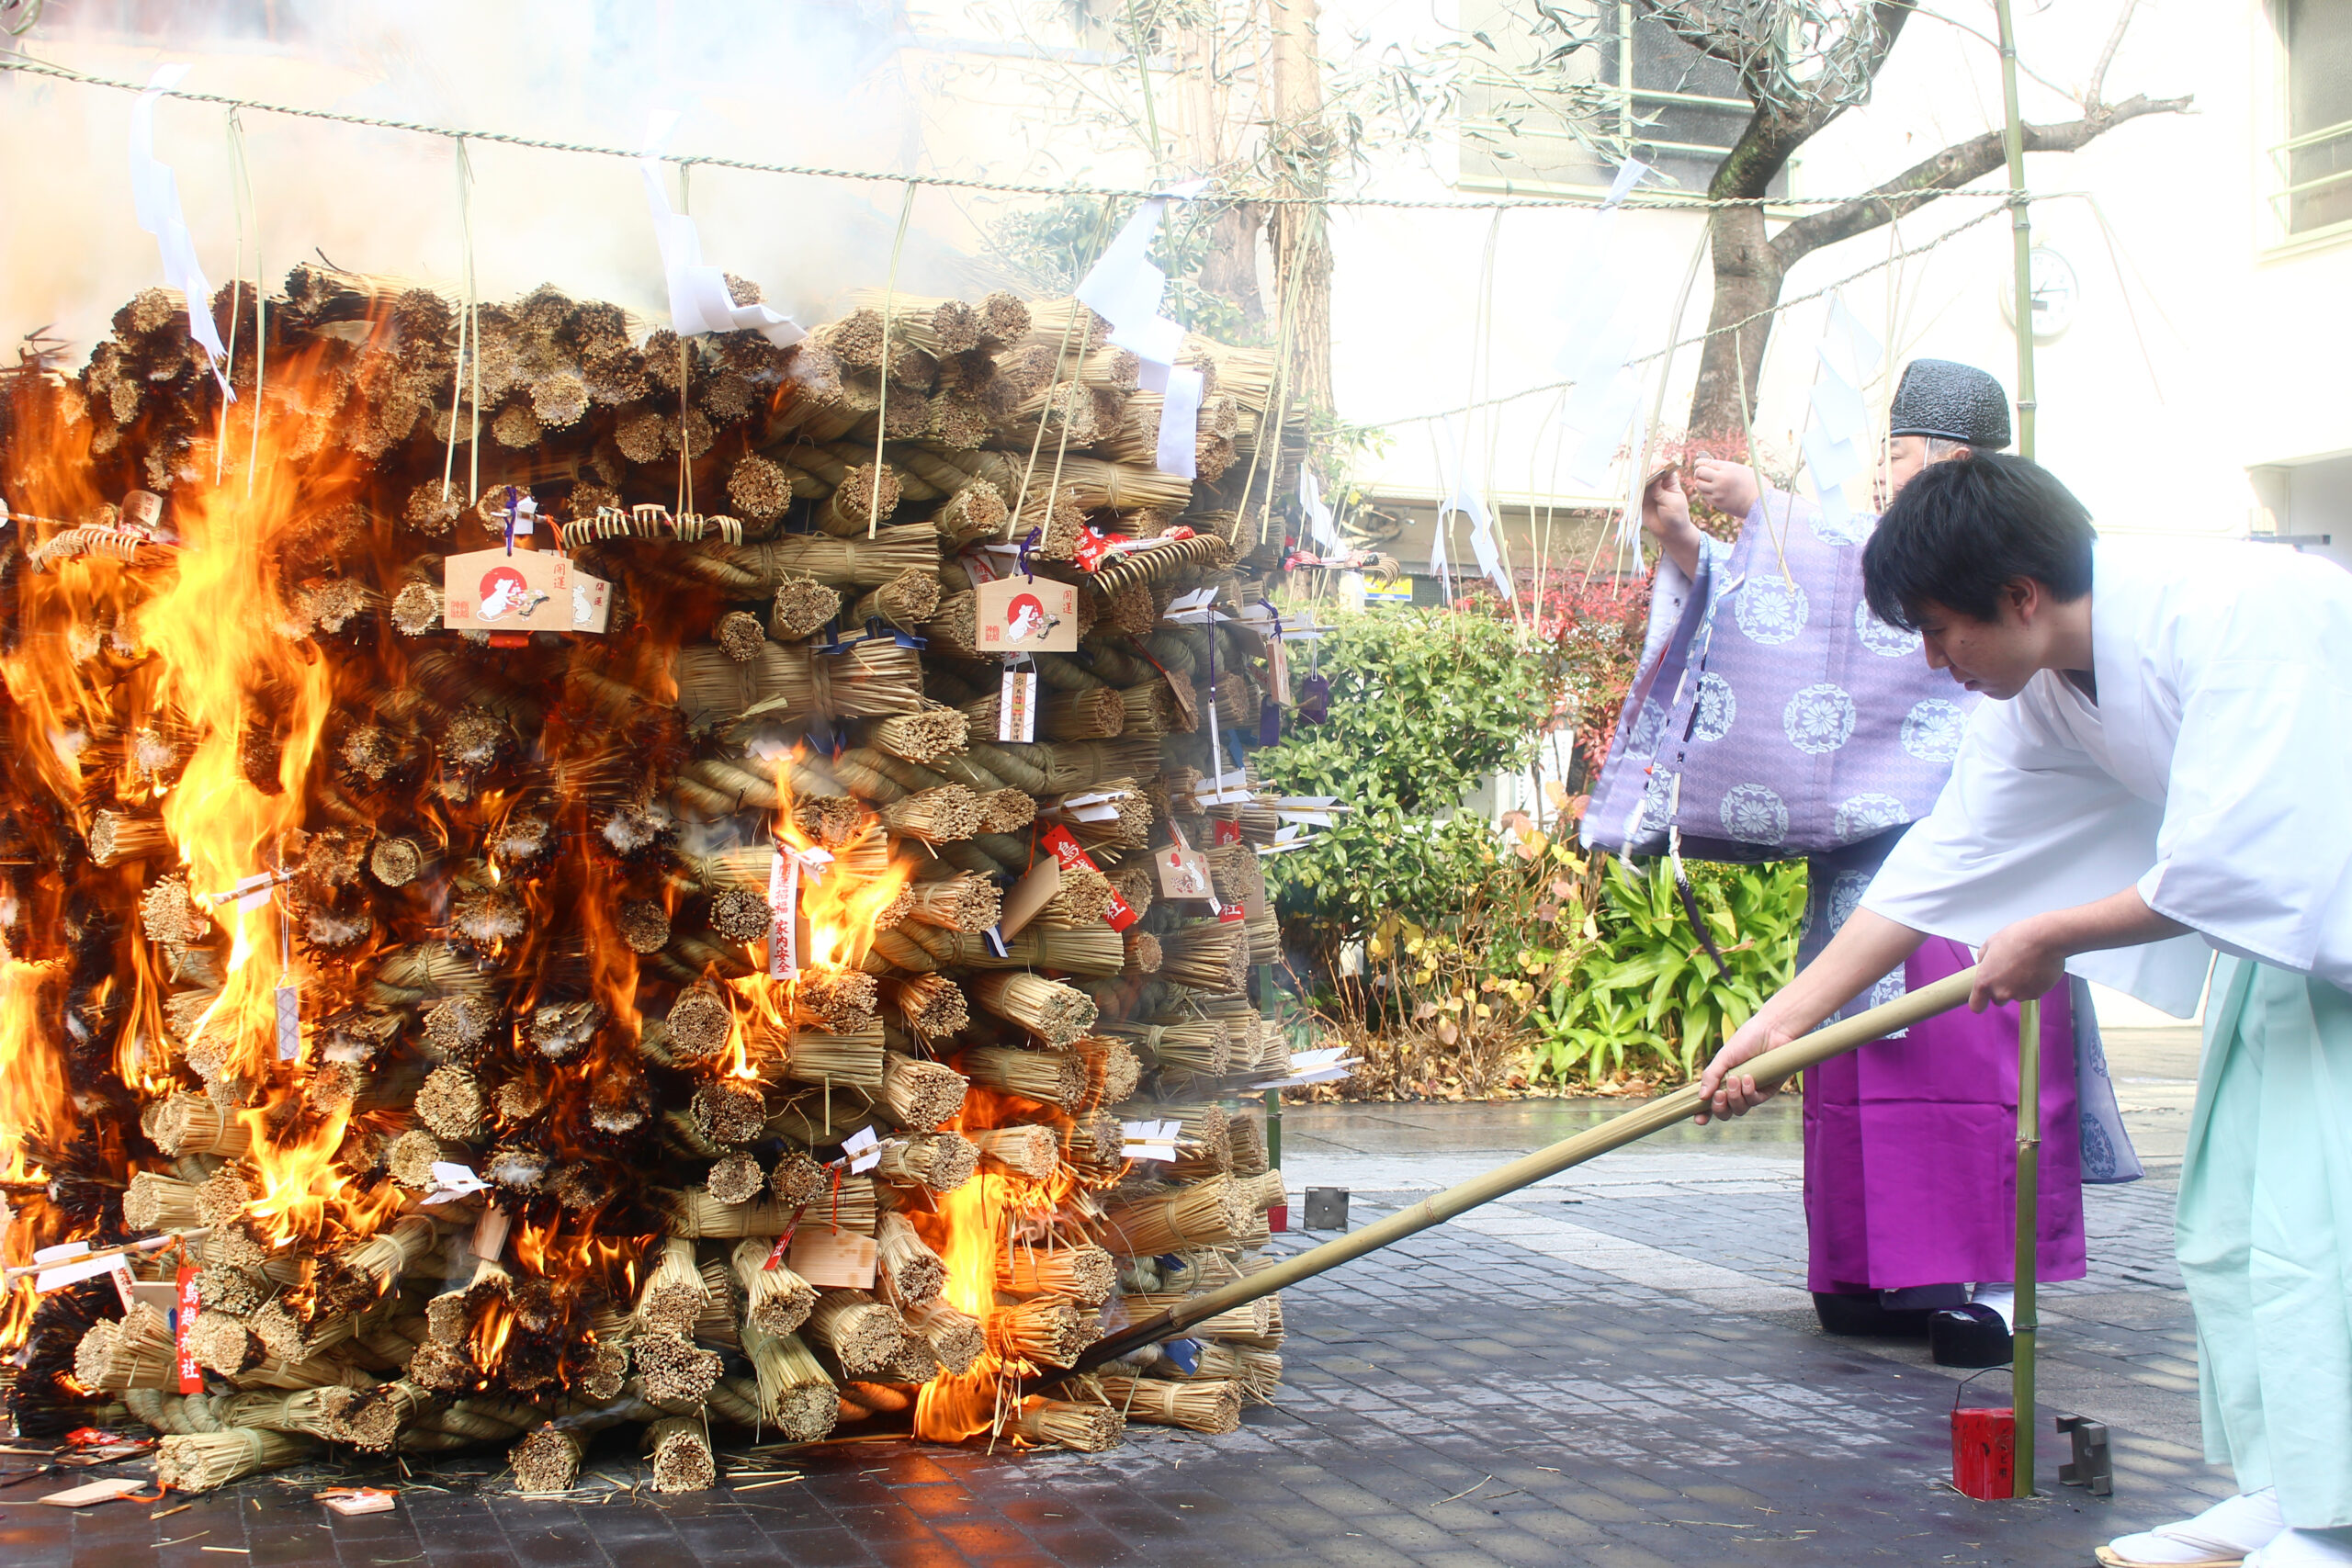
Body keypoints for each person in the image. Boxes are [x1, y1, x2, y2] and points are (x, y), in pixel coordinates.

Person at [1697, 452, 2352, 1568]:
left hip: (2321, 938)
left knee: (2322, 1232)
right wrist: (1783, 1021)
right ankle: (2285, 1487)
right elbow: (1938, 864)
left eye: (1942, 630)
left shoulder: (2241, 615)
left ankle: (2333, 1519)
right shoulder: (2039, 685)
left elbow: (2243, 857)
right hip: (2289, 959)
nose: (1934, 660)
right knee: (2237, 1230)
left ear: (2020, 596)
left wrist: (2052, 934)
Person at [1584, 359, 2137, 1368]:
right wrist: (1689, 544)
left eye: (1898, 448)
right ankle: (1872, 1271)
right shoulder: (1879, 557)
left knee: (1983, 1077)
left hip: (1997, 882)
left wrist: (1767, 509)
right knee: (1853, 1057)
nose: (1930, 654)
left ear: (1952, 457)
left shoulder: (2002, 567)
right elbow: (1808, 594)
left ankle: (1992, 1288)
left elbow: (1840, 572)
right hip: (1878, 875)